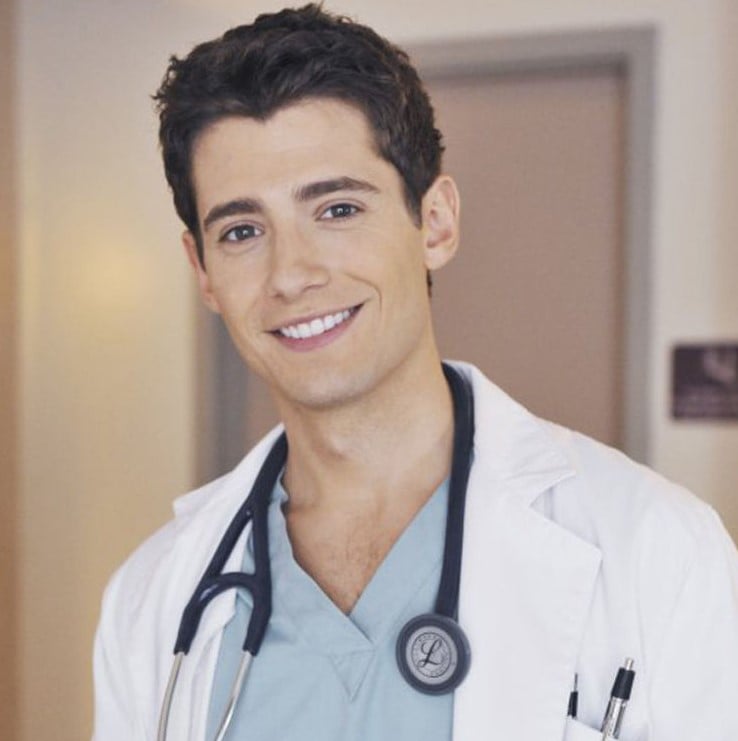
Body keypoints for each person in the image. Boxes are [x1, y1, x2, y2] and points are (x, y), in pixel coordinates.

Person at [92, 5, 738, 740]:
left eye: (337, 209)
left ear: (435, 222)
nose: (292, 274)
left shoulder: (658, 551)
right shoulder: (152, 598)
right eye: (242, 231)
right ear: (202, 271)